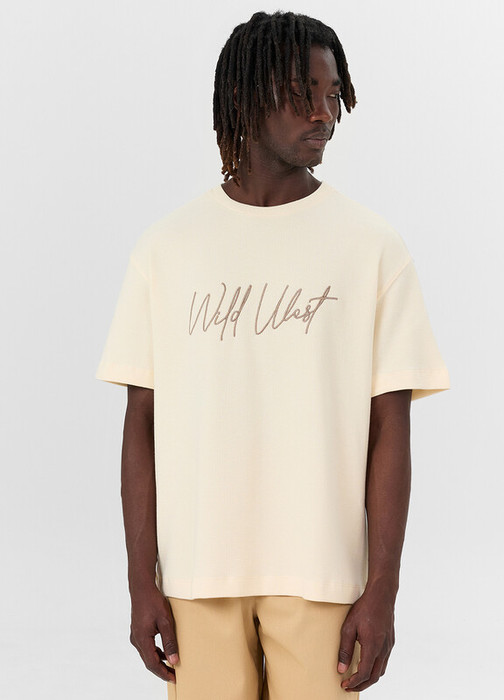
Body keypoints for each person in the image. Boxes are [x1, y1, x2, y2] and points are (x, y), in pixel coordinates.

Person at [96, 10, 450, 699]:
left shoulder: (371, 248)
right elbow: (141, 424)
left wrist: (382, 589)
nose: (324, 114)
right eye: (302, 93)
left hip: (323, 578)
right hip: (197, 576)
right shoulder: (167, 249)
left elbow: (390, 428)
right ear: (245, 95)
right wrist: (142, 581)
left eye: (332, 95)